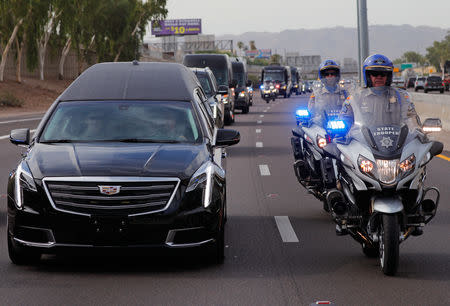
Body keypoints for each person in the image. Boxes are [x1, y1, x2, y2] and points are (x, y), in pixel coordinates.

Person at [340, 54, 420, 133]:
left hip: (396, 143)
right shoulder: (355, 98)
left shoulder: (401, 97)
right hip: (364, 144)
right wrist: (342, 129)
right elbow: (345, 119)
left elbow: (410, 118)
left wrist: (416, 129)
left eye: (383, 74)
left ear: (389, 76)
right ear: (368, 76)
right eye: (375, 73)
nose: (379, 77)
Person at [308, 60, 348, 127]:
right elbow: (311, 111)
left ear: (337, 75)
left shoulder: (344, 93)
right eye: (327, 74)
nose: (330, 76)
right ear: (322, 76)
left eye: (333, 74)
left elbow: (352, 112)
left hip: (342, 127)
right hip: (322, 127)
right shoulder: (317, 94)